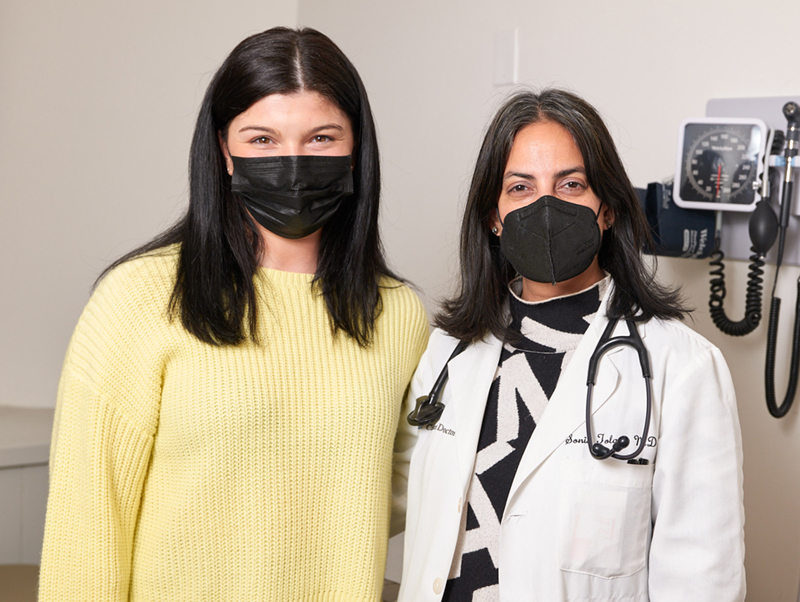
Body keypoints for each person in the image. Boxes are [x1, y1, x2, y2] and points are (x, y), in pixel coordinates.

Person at [39, 27, 428, 602]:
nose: (293, 163)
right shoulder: (139, 297)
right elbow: (88, 519)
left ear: (355, 150)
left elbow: (405, 485)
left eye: (321, 138)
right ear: (223, 150)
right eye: (262, 139)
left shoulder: (398, 313)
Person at [397, 89, 745, 601]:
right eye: (520, 187)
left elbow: (703, 578)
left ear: (606, 209)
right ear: (493, 216)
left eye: (571, 184)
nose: (545, 207)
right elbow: (391, 500)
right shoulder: (447, 352)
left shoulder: (682, 366)